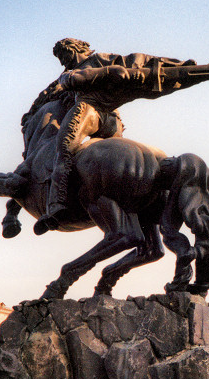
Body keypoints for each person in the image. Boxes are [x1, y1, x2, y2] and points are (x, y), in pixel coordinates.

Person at [28, 38, 196, 235]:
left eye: (63, 55)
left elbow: (134, 63)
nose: (63, 61)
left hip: (89, 110)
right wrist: (176, 66)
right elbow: (137, 60)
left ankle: (56, 204)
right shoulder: (103, 59)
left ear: (73, 50)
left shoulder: (79, 70)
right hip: (113, 120)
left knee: (64, 148)